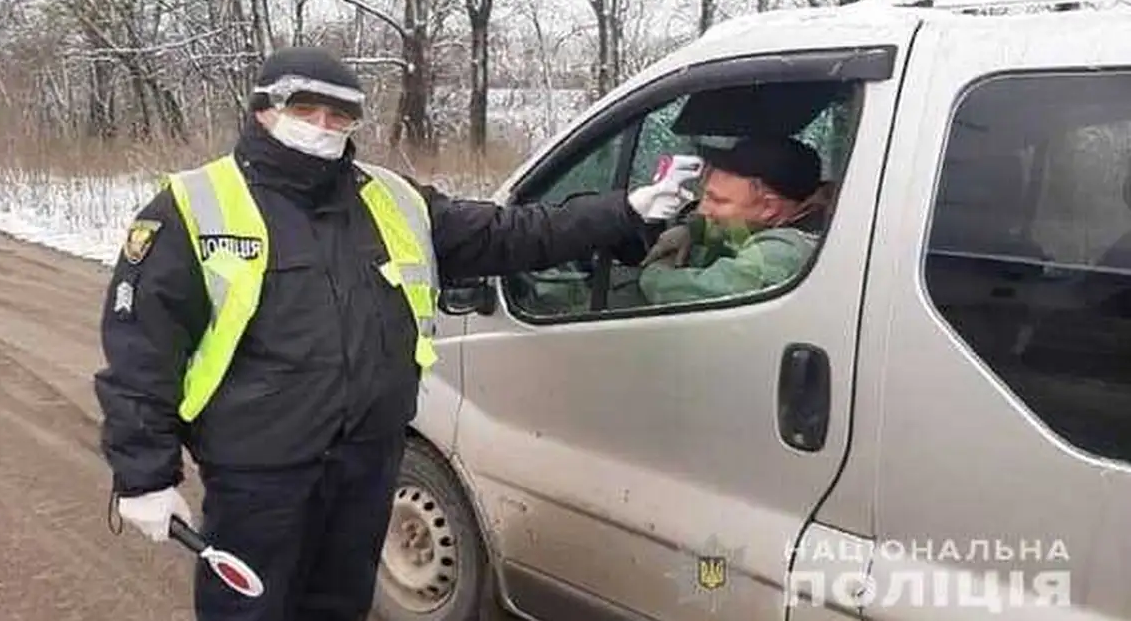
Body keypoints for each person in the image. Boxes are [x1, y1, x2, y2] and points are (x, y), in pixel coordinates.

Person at [94, 46, 689, 621]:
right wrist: (144, 474)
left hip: (368, 460)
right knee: (251, 610)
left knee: (339, 605)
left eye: (339, 115)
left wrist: (626, 211)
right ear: (261, 110)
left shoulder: (393, 199)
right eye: (305, 111)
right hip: (259, 472)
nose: (324, 127)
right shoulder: (193, 206)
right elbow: (141, 349)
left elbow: (508, 234)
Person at [638, 135, 830, 305]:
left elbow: (688, 293)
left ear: (770, 208)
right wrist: (691, 230)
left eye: (718, 200)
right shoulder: (769, 218)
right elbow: (738, 229)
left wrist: (655, 270)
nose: (703, 209)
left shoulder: (783, 254)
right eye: (704, 195)